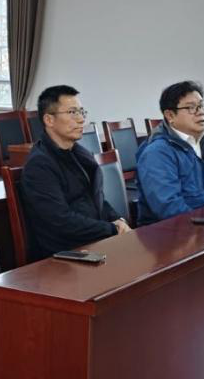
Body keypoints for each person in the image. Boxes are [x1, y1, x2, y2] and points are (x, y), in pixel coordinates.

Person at [20, 85, 130, 260]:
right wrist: (111, 229)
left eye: (81, 112)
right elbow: (61, 220)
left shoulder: (79, 154)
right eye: (72, 113)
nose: (81, 120)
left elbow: (97, 199)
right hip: (65, 254)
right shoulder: (39, 165)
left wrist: (119, 221)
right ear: (49, 120)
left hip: (93, 241)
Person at [135, 80, 204, 223]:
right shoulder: (156, 153)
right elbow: (170, 209)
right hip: (171, 231)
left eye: (202, 105)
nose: (201, 112)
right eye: (191, 107)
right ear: (170, 115)